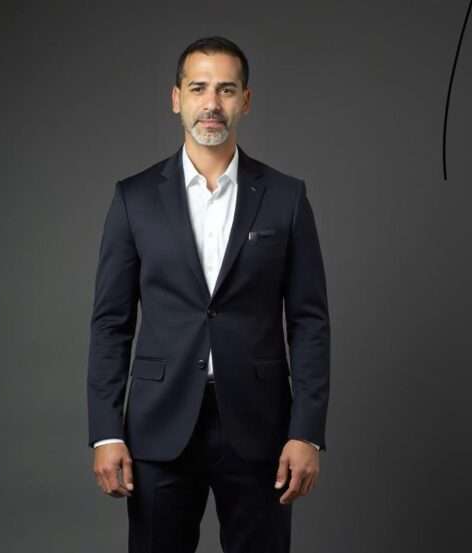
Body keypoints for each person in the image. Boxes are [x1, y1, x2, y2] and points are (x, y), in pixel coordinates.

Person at [86, 35, 331, 553]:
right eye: (198, 88)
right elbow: (111, 323)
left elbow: (309, 321)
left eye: (226, 89)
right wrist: (106, 431)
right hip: (158, 426)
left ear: (246, 100)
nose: (212, 103)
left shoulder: (286, 197)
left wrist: (306, 431)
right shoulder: (134, 198)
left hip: (261, 426)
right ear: (176, 98)